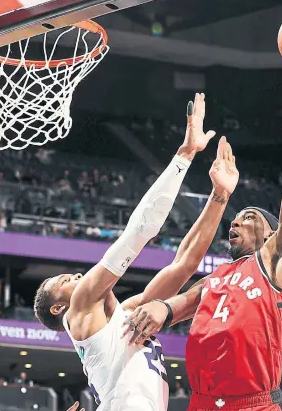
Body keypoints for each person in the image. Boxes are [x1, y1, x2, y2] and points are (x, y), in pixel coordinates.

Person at [122, 37, 282, 411]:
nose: (237, 221)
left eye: (249, 217)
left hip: (254, 403)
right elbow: (183, 302)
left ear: (272, 232)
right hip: (202, 403)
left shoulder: (278, 259)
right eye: (237, 217)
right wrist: (163, 309)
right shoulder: (218, 277)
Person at [34, 93, 239, 411]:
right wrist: (184, 155)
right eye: (63, 280)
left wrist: (219, 196)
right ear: (59, 309)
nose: (75, 274)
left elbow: (184, 264)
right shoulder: (81, 305)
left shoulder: (126, 317)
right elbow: (138, 232)